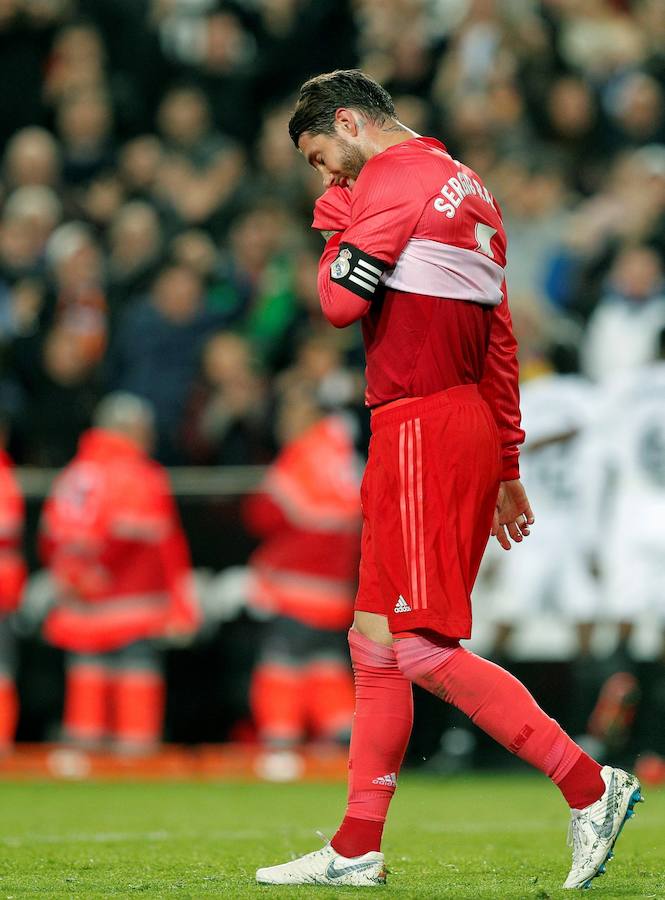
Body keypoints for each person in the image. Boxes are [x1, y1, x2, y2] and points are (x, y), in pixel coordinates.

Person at [255, 70, 643, 891]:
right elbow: (498, 337)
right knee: (373, 643)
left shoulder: (392, 180)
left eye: (322, 156)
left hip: (422, 423)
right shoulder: (466, 184)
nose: (327, 177)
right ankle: (357, 846)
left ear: (352, 124)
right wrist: (505, 462)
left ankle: (589, 785)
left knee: (422, 650)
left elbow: (334, 304)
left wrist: (332, 222)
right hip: (444, 421)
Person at [39, 392, 199, 752]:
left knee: (86, 682)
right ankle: (134, 759)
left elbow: (50, 537)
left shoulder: (75, 473)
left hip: (82, 604)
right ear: (131, 429)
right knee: (136, 682)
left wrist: (75, 575)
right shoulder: (140, 475)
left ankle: (81, 761)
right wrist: (181, 602)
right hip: (132, 604)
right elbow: (160, 545)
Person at [244, 386, 360, 755]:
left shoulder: (302, 456)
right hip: (335, 591)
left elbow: (263, 514)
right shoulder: (346, 459)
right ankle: (344, 741)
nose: (284, 424)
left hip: (294, 588)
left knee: (281, 666)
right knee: (324, 666)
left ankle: (280, 743)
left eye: (290, 414)